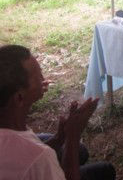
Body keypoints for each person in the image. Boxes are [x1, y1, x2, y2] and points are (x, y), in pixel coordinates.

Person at [0, 44, 116, 180]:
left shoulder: (9, 122)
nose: (44, 80)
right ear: (19, 98)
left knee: (81, 151)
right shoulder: (39, 158)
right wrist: (73, 136)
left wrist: (59, 139)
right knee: (104, 170)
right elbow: (33, 158)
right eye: (38, 77)